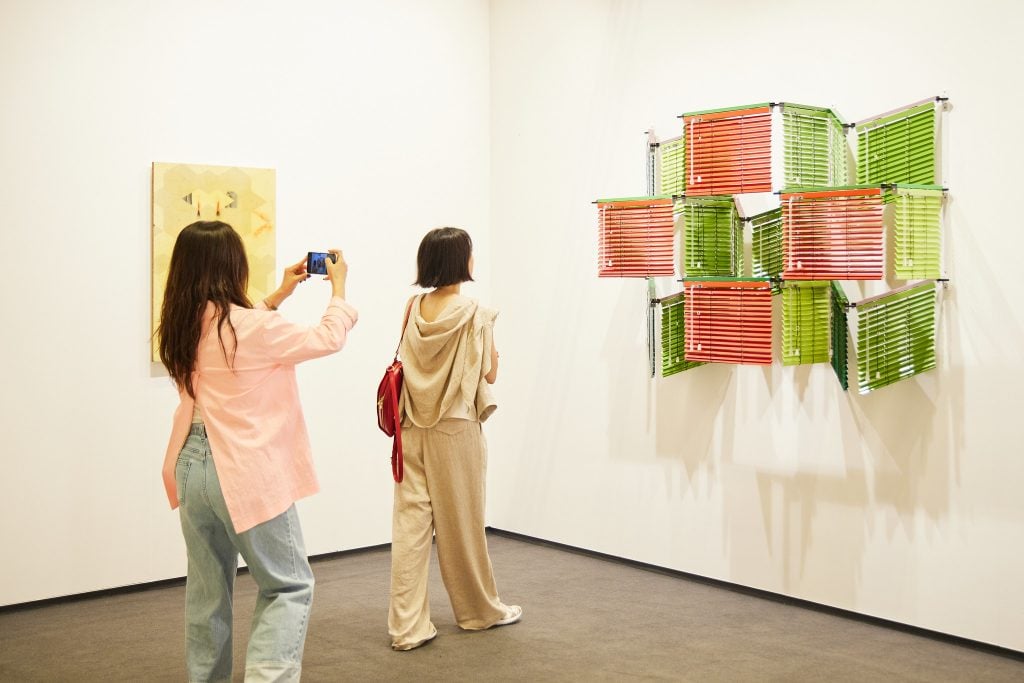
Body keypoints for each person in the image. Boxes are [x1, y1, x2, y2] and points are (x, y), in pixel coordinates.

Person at [157, 221, 356, 682]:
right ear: (233, 264)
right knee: (288, 586)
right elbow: (327, 338)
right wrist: (339, 289)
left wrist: (279, 294)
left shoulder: (182, 324)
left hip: (191, 466)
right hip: (242, 470)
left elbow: (238, 334)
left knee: (207, 595)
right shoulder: (254, 328)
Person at [389, 226, 521, 651]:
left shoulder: (413, 307)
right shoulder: (474, 312)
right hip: (456, 428)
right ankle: (479, 612)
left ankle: (407, 628)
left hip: (411, 425)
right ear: (461, 261)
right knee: (462, 523)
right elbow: (490, 374)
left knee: (410, 527)